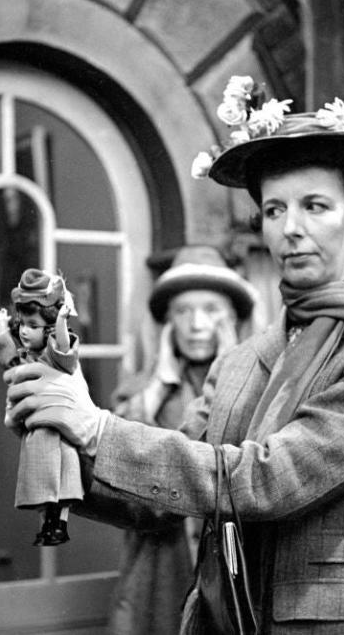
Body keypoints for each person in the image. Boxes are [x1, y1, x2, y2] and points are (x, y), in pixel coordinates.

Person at [4, 76, 344, 634]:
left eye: (315, 206)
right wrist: (57, 430)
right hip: (221, 620)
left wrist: (97, 429)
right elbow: (159, 504)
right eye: (275, 210)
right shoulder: (238, 361)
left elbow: (272, 481)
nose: (292, 229)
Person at [108, 245, 257, 635]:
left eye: (210, 310)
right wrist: (160, 380)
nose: (195, 324)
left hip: (232, 570)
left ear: (233, 320)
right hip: (159, 568)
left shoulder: (262, 386)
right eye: (182, 311)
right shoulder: (140, 390)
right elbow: (124, 469)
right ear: (168, 323)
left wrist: (232, 371)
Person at [0, 268, 80, 546]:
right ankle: (49, 526)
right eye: (22, 324)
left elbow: (63, 345)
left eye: (33, 326)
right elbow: (8, 356)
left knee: (60, 484)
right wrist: (3, 327)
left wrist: (61, 320)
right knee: (42, 485)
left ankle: (59, 525)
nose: (24, 331)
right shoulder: (26, 357)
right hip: (36, 431)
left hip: (59, 433)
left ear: (47, 328)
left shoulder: (54, 358)